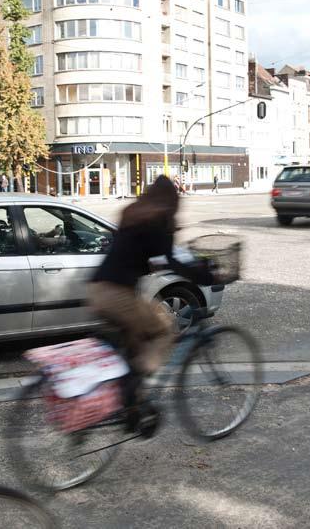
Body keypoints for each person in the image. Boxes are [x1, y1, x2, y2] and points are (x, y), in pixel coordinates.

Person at [88, 175, 215, 435]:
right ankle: (136, 387)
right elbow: (173, 261)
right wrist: (206, 277)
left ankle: (134, 407)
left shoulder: (134, 213)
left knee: (134, 347)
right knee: (164, 328)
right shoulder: (159, 220)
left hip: (97, 290)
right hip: (118, 295)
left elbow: (142, 254)